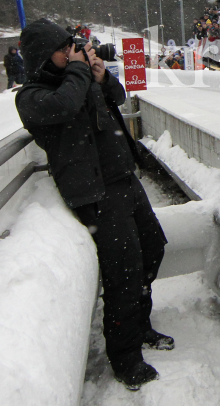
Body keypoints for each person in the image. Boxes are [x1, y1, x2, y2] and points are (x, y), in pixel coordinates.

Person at [15, 20, 171, 390]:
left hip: (123, 180)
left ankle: (141, 324)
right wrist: (80, 72)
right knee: (123, 275)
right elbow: (64, 106)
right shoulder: (33, 95)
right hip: (95, 193)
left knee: (153, 248)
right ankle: (126, 357)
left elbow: (117, 98)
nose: (73, 52)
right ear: (44, 56)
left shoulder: (80, 79)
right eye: (65, 48)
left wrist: (100, 77)